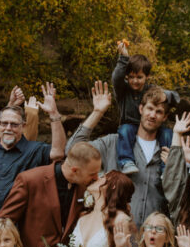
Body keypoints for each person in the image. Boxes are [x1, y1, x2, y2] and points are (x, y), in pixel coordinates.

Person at [67, 80, 174, 227]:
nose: (153, 115)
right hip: (114, 237)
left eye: (159, 111)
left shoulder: (170, 151)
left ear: (165, 117)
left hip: (153, 240)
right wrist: (97, 112)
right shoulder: (113, 143)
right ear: (141, 108)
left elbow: (178, 194)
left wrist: (175, 167)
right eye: (150, 108)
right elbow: (72, 150)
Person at [0, 84, 67, 220]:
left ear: (23, 126)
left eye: (14, 124)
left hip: (19, 228)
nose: (8, 128)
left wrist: (53, 113)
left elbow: (58, 152)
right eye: (4, 124)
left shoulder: (34, 150)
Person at [110, 41, 179, 176]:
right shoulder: (123, 90)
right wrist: (123, 58)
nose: (135, 81)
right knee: (124, 130)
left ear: (147, 77)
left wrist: (166, 95)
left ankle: (166, 167)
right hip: (130, 125)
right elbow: (116, 78)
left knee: (167, 133)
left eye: (139, 77)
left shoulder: (151, 90)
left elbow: (175, 97)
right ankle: (127, 161)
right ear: (127, 77)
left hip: (152, 126)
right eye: (131, 77)